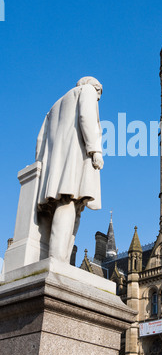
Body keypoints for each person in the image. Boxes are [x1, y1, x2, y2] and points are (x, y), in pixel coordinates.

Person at [35, 76, 104, 262]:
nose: (98, 99)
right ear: (95, 88)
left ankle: (58, 257)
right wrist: (95, 149)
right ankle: (58, 259)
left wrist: (41, 168)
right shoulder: (87, 91)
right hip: (75, 160)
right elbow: (86, 117)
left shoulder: (55, 106)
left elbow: (40, 141)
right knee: (69, 203)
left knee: (64, 206)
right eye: (99, 95)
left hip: (55, 167)